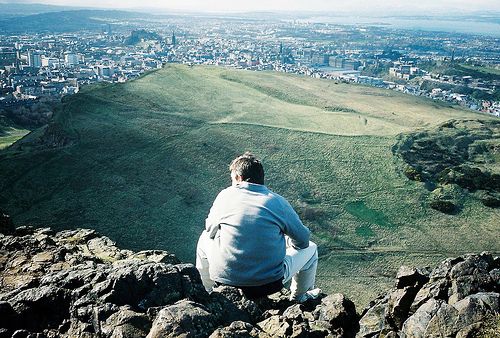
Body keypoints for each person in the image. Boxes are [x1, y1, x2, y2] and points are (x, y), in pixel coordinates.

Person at [196, 152, 320, 302]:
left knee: (204, 239)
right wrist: (283, 243)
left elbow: (210, 230)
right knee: (311, 249)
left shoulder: (225, 195)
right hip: (269, 284)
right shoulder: (278, 202)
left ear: (237, 177)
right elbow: (303, 240)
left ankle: (208, 292)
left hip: (224, 279)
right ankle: (299, 298)